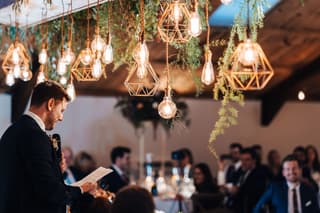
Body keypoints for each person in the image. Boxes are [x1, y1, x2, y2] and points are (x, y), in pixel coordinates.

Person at [0, 81, 96, 213]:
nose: (61, 117)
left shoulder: (11, 131)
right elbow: (48, 190)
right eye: (61, 110)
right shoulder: (35, 136)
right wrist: (81, 189)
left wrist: (55, 170)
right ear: (50, 104)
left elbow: (28, 178)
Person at [254, 155, 320, 213]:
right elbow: (257, 208)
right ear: (283, 173)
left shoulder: (309, 190)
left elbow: (316, 210)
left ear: (300, 170)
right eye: (288, 169)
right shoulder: (275, 188)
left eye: (294, 168)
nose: (291, 172)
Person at [227, 148, 269, 213]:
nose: (243, 163)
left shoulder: (260, 172)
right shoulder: (241, 170)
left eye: (247, 160)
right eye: (242, 160)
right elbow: (233, 182)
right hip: (238, 207)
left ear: (254, 160)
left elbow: (254, 191)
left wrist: (237, 190)